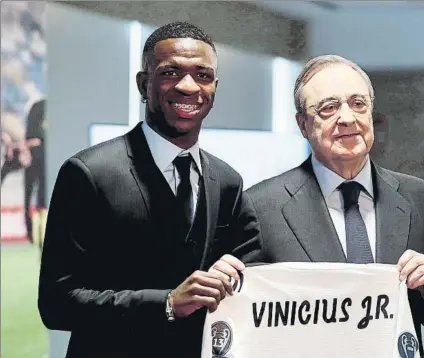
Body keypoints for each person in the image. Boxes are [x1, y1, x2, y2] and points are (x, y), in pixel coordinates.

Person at [38, 22, 258, 358]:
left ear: (214, 87)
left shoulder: (228, 182)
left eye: (202, 75)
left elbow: (253, 275)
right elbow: (56, 304)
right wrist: (166, 304)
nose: (188, 86)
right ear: (144, 84)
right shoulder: (88, 174)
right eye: (171, 72)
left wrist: (236, 276)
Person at [210, 55, 424, 355]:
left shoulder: (418, 197)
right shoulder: (258, 207)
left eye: (358, 103)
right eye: (329, 107)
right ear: (303, 125)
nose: (347, 118)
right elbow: (244, 321)